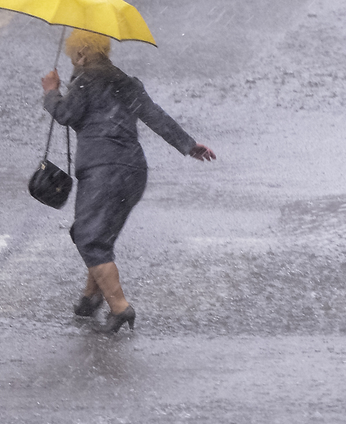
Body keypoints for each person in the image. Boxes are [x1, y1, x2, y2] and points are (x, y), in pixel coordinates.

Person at [40, 29, 215, 333]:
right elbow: (155, 116)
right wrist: (189, 145)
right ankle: (90, 297)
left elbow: (66, 114)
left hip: (102, 171)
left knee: (90, 237)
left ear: (82, 53)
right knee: (98, 234)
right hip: (133, 171)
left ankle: (120, 308)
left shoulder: (85, 80)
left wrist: (52, 91)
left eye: (73, 54)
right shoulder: (126, 82)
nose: (71, 59)